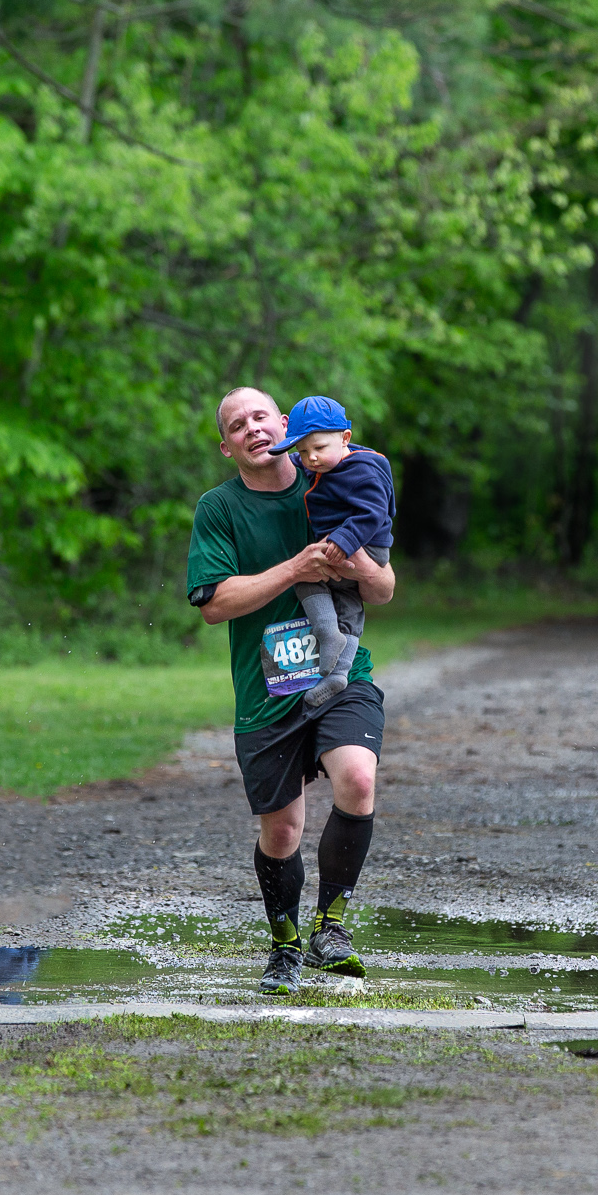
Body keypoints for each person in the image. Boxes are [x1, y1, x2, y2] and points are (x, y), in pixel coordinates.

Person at [186, 386, 397, 995]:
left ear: (283, 424)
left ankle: (332, 928)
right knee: (282, 832)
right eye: (235, 425)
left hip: (341, 674)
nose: (251, 428)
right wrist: (296, 570)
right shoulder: (218, 509)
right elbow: (214, 603)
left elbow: (383, 589)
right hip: (265, 691)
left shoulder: (333, 477)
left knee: (357, 778)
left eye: (260, 416)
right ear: (226, 446)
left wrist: (353, 562)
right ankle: (284, 943)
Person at [270, 396, 396, 712]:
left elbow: (374, 511)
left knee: (306, 579)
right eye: (302, 451)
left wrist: (345, 540)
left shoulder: (362, 469)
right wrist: (284, 458)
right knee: (349, 604)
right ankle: (338, 675)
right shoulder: (325, 462)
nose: (311, 458)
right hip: (344, 543)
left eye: (319, 449)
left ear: (345, 438)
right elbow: (300, 463)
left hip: (362, 543)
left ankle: (328, 634)